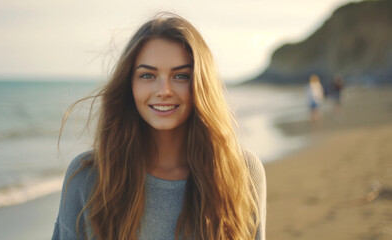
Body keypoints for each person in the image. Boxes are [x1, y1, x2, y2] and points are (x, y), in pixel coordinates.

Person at [52, 13, 266, 240]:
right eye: (147, 75)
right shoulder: (88, 177)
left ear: (201, 84)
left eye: (181, 76)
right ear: (129, 85)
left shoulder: (242, 172)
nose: (164, 90)